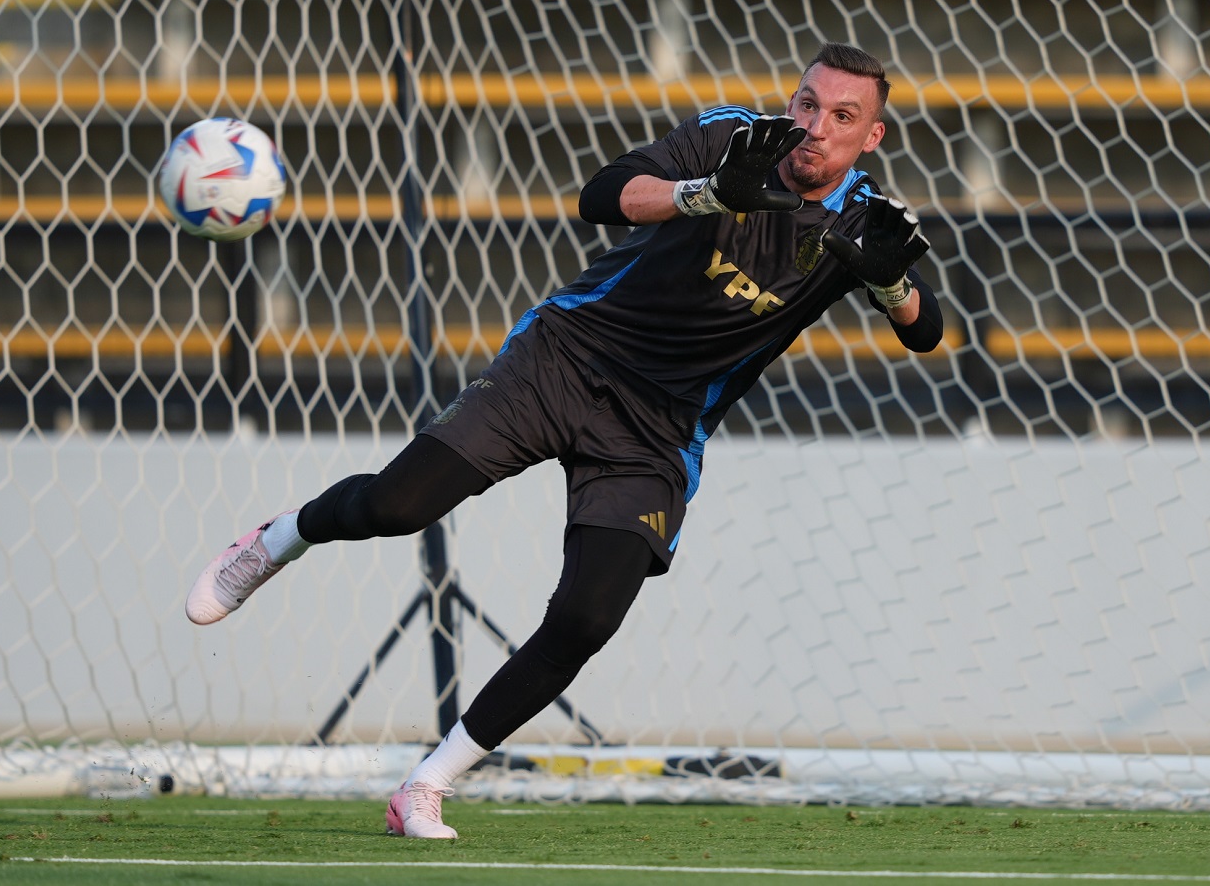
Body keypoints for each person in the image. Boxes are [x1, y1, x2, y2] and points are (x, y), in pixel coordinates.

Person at [182, 43, 942, 838]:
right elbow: (603, 195)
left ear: (872, 137)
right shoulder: (732, 140)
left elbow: (928, 329)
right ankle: (276, 539)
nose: (815, 126)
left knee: (586, 619)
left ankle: (425, 785)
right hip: (566, 359)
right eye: (807, 103)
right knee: (398, 503)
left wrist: (891, 284)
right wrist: (706, 194)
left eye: (841, 116)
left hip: (657, 431)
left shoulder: (863, 218)